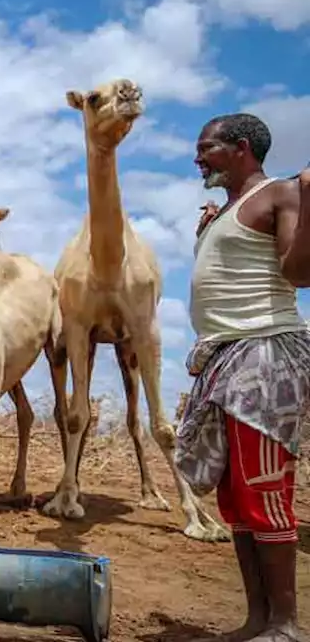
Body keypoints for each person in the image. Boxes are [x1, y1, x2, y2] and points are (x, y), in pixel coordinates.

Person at [178, 112, 310, 642]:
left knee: (262, 487)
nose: (198, 157)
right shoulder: (227, 210)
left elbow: (299, 275)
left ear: (240, 148)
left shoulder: (281, 194)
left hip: (264, 354)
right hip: (224, 358)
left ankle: (286, 625)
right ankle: (257, 620)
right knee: (234, 495)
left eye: (206, 147)